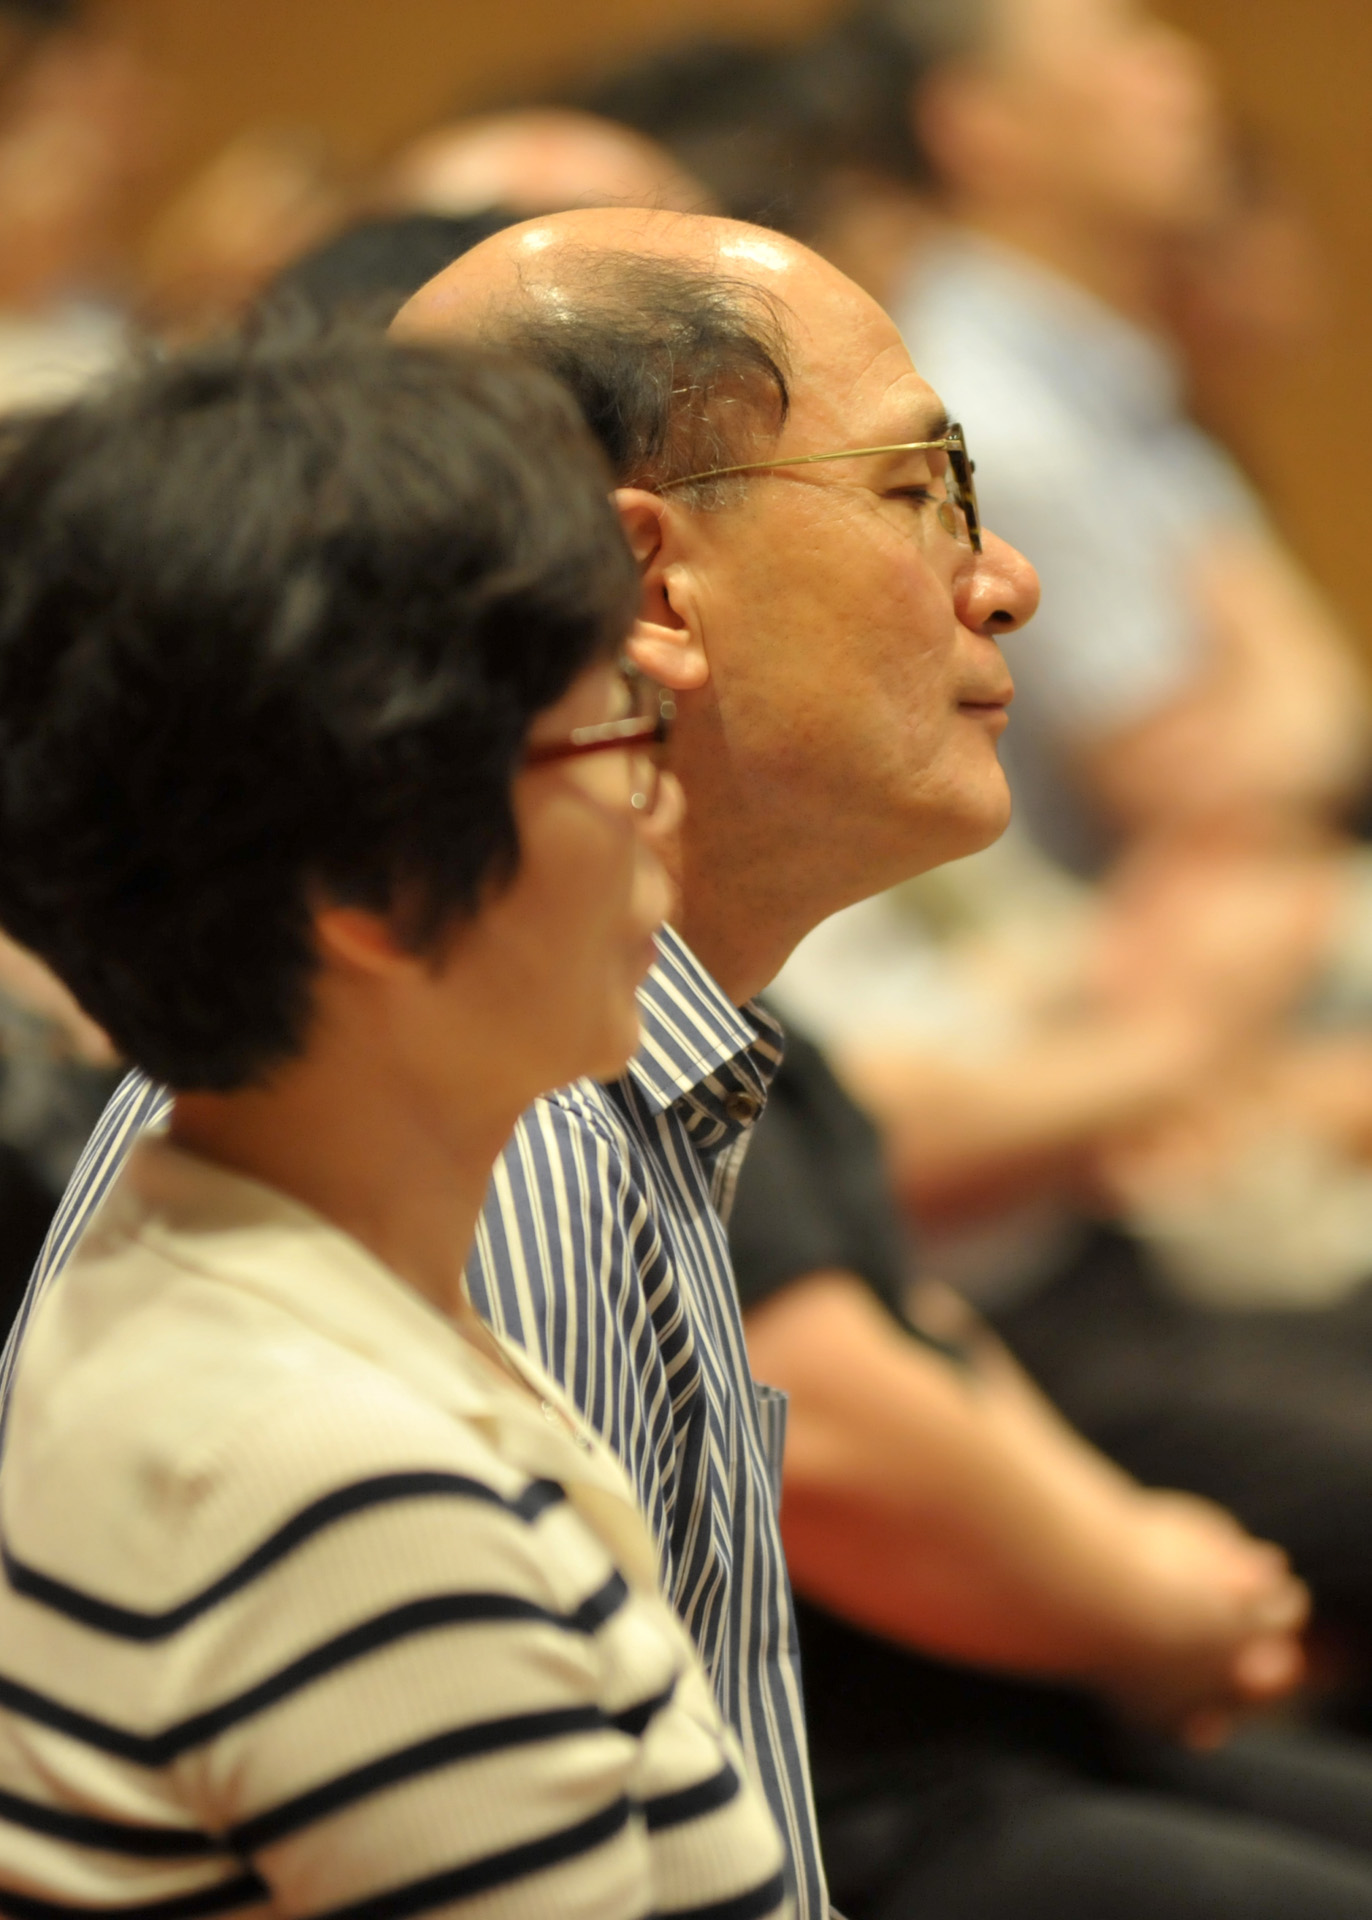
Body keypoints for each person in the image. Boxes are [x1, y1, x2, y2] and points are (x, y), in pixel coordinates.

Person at [2, 203, 1044, 1920]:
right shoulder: (378, 1399)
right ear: (370, 880)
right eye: (595, 727)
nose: (646, 793)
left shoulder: (364, 1234)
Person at [732, 1021, 1372, 1920]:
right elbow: (821, 1438)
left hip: (999, 1712)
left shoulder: (732, 1012)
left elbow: (911, 1311)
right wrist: (1162, 1614)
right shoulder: (631, 1033)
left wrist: (1135, 1538)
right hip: (859, 1791)